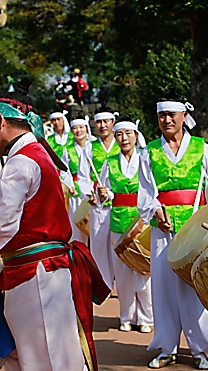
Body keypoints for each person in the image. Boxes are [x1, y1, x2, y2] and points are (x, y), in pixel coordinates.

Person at [0, 77, 109, 370]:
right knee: (39, 355)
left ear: (0, 123)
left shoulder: (21, 161)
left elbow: (0, 217)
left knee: (46, 357)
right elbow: (4, 208)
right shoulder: (34, 156)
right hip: (41, 273)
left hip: (38, 276)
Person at [137, 89, 208, 369]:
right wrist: (155, 210)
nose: (166, 120)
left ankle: (199, 349)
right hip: (163, 230)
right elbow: (144, 193)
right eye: (161, 115)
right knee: (164, 288)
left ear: (184, 115)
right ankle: (166, 347)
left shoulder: (202, 149)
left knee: (196, 288)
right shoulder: (149, 152)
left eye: (171, 114)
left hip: (197, 229)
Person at [97, 114, 153, 333]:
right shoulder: (110, 163)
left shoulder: (146, 159)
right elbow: (106, 194)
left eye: (128, 133)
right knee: (122, 274)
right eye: (119, 134)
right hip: (119, 222)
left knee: (143, 270)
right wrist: (104, 194)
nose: (123, 138)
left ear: (136, 136)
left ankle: (147, 317)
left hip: (142, 222)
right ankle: (126, 316)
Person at [77, 105, 120, 288]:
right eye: (99, 122)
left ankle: (122, 283)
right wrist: (89, 194)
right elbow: (82, 175)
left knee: (119, 247)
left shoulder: (123, 144)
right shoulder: (90, 148)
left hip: (121, 203)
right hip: (98, 204)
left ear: (113, 122)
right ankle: (104, 285)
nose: (103, 125)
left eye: (106, 121)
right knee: (99, 245)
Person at [61, 115, 91, 243]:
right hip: (76, 192)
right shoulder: (68, 149)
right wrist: (70, 185)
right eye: (74, 128)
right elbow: (64, 170)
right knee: (78, 231)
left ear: (87, 128)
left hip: (93, 193)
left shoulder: (94, 146)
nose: (78, 131)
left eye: (81, 127)